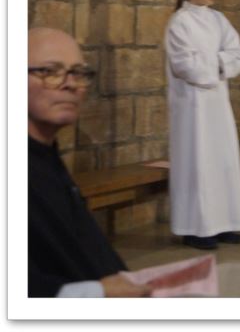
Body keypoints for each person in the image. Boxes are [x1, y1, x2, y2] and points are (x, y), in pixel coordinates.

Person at [28, 27, 151, 298]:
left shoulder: (46, 155)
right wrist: (97, 293)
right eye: (50, 71)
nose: (71, 84)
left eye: (77, 72)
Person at [164, 0, 240, 250]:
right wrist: (219, 62)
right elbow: (185, 64)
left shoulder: (218, 19)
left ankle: (223, 223)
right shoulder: (179, 22)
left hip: (218, 104)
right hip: (192, 106)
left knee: (222, 161)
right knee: (197, 163)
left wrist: (216, 61)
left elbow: (237, 53)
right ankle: (195, 229)